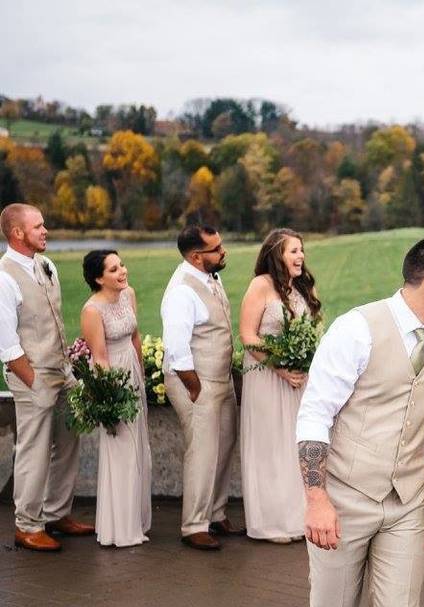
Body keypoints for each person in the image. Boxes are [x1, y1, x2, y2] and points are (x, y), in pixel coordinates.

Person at [296, 237, 424, 607]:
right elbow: (315, 414)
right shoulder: (356, 329)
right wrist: (317, 499)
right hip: (345, 499)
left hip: (407, 504)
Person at [0, 203, 94, 551]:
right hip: (33, 376)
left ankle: (56, 513)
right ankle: (26, 525)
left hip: (62, 371)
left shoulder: (47, 264)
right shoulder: (5, 277)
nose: (45, 231)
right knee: (33, 450)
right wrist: (33, 380)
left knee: (70, 441)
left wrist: (66, 368)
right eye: (38, 226)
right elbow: (7, 342)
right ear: (18, 234)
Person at [161, 224, 243, 551]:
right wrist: (196, 389)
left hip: (220, 378)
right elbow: (176, 348)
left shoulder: (211, 276)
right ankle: (194, 525)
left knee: (225, 443)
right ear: (197, 256)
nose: (223, 253)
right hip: (196, 381)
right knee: (203, 451)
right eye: (216, 249)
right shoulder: (182, 290)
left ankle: (216, 512)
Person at [239, 229, 322, 544]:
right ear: (277, 254)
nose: (300, 257)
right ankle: (273, 522)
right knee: (271, 445)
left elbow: (311, 329)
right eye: (293, 251)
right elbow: (248, 336)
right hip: (266, 375)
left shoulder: (301, 286)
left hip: (298, 377)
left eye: (301, 250)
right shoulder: (260, 285)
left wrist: (303, 357)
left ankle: (300, 516)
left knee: (296, 443)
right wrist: (280, 365)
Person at [80, 250, 152, 548]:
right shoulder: (92, 310)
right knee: (120, 449)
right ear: (99, 278)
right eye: (114, 269)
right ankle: (119, 529)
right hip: (113, 379)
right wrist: (110, 396)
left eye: (122, 264)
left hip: (133, 373)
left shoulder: (128, 294)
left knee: (138, 448)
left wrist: (143, 374)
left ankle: (136, 520)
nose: (122, 271)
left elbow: (135, 337)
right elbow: (99, 357)